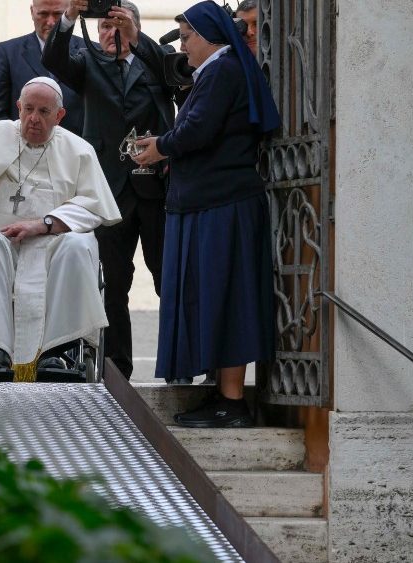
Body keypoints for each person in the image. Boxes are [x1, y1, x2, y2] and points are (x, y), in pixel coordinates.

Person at [133, 2, 280, 428]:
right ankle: (223, 395)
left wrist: (160, 145)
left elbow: (198, 129)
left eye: (186, 36)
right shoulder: (219, 70)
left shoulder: (222, 69)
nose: (182, 45)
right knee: (214, 298)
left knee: (226, 298)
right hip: (211, 204)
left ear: (209, 36)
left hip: (222, 206)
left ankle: (232, 403)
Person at [0, 78, 121, 375]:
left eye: (44, 111)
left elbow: (95, 207)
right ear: (19, 108)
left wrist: (43, 225)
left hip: (53, 244)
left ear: (59, 116)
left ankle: (56, 352)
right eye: (28, 109)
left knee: (79, 244)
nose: (34, 118)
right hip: (1, 239)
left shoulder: (79, 150)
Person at [42, 0, 173, 381]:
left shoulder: (157, 61)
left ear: (135, 28)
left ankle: (179, 365)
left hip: (156, 190)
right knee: (113, 284)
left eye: (120, 25)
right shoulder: (88, 63)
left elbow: (179, 79)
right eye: (104, 27)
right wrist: (69, 15)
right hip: (109, 191)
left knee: (169, 280)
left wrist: (137, 36)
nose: (110, 32)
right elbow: (53, 58)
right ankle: (117, 369)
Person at [0, 0, 85, 136]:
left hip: (76, 152)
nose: (50, 22)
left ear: (71, 12)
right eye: (43, 14)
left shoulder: (89, 52)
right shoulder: (7, 53)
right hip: (22, 152)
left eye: (58, 14)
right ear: (32, 12)